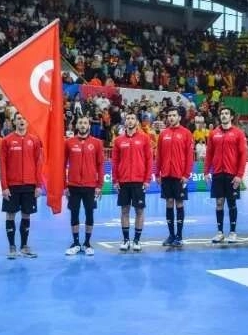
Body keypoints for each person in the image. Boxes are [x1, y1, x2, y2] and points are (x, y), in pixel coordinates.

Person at [0, 112, 43, 259]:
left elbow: (38, 164)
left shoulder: (34, 140)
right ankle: (12, 247)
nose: (22, 120)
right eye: (19, 118)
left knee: (26, 214)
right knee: (10, 215)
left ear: (28, 122)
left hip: (29, 185)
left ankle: (24, 246)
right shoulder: (7, 140)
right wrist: (4, 186)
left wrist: (38, 185)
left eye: (24, 118)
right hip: (12, 185)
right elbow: (2, 165)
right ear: (14, 122)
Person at [205, 107, 247, 243]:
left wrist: (239, 175)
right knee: (219, 203)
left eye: (226, 113)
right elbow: (209, 154)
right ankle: (220, 232)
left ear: (231, 117)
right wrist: (206, 172)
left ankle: (233, 232)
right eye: (222, 113)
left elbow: (243, 155)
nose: (224, 115)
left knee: (231, 203)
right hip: (218, 173)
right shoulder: (213, 133)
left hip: (232, 174)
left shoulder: (238, 133)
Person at [112, 111, 152, 252]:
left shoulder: (144, 138)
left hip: (139, 181)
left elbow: (149, 160)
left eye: (132, 118)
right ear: (125, 121)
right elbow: (115, 161)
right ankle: (126, 240)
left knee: (139, 210)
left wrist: (147, 180)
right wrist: (115, 180)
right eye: (127, 118)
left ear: (137, 122)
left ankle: (136, 240)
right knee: (124, 210)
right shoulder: (118, 140)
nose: (130, 120)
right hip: (123, 181)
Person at [64, 116, 104, 256]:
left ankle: (87, 243)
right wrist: (64, 185)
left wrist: (99, 185)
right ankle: (76, 243)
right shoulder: (68, 142)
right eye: (80, 122)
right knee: (74, 214)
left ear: (89, 126)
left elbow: (100, 165)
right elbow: (62, 165)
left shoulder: (97, 143)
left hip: (90, 186)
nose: (82, 125)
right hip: (73, 185)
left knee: (89, 213)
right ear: (77, 125)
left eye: (85, 123)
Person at [156, 107, 193, 247]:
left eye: (173, 115)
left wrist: (186, 174)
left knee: (179, 203)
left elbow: (189, 156)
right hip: (166, 175)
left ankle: (179, 236)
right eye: (169, 115)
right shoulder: (163, 134)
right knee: (169, 203)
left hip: (179, 176)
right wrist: (157, 173)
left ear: (179, 117)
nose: (171, 117)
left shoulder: (186, 133)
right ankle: (171, 235)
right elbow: (159, 155)